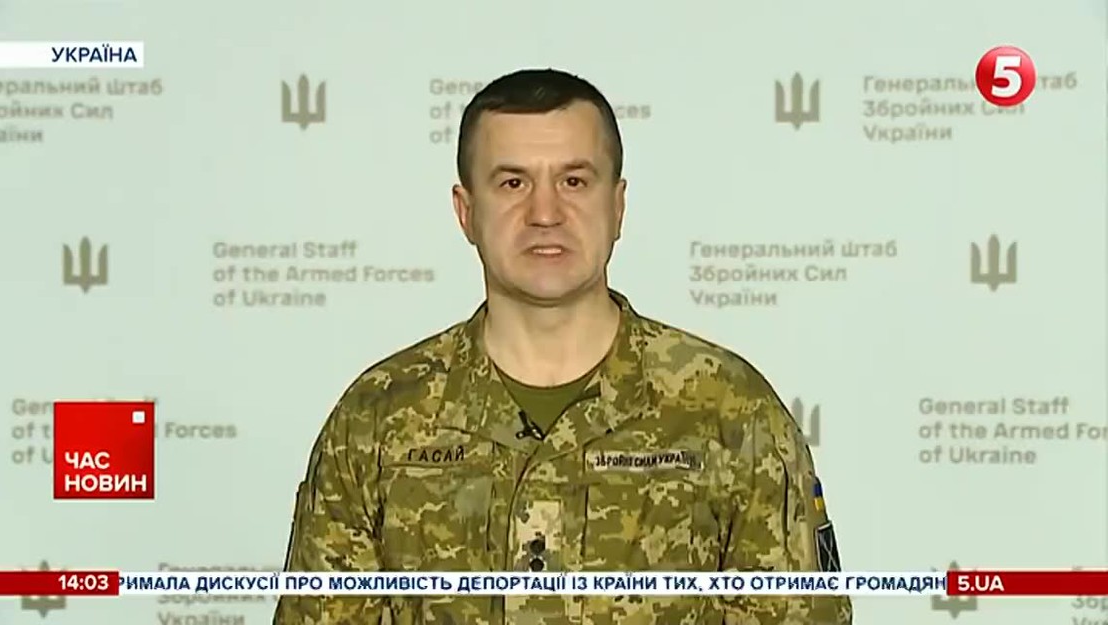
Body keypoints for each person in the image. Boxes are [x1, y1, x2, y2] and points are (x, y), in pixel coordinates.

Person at [274, 68, 852, 625]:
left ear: (617, 206)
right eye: (513, 183)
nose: (545, 213)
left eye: (574, 181)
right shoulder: (377, 418)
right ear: (466, 212)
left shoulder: (730, 410)